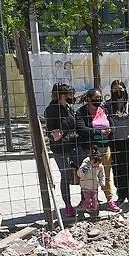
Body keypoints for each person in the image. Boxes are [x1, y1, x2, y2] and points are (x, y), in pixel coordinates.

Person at [76, 88, 120, 211]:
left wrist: (111, 130)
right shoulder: (82, 112)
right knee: (89, 176)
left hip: (105, 147)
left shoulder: (104, 109)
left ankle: (110, 200)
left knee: (106, 176)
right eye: (96, 98)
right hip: (91, 149)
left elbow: (112, 123)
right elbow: (81, 128)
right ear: (89, 99)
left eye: (100, 97)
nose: (99, 100)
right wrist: (98, 132)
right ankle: (88, 201)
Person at [44, 82, 81, 217]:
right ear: (61, 95)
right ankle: (68, 205)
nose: (72, 97)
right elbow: (49, 130)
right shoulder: (52, 109)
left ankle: (85, 199)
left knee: (84, 170)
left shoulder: (69, 108)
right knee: (65, 176)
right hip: (61, 149)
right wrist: (54, 137)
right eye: (70, 95)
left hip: (75, 145)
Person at [107, 80, 129, 207]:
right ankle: (121, 195)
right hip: (114, 141)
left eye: (120, 88)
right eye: (115, 89)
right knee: (117, 171)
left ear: (125, 89)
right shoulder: (108, 105)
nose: (117, 91)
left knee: (128, 170)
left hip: (127, 141)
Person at [76, 149, 106, 217]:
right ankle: (83, 209)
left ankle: (93, 212)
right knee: (88, 200)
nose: (96, 166)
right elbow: (79, 174)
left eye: (97, 164)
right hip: (85, 186)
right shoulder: (85, 165)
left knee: (95, 200)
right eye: (94, 164)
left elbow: (102, 175)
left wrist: (102, 183)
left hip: (94, 186)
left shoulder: (100, 166)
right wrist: (84, 170)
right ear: (90, 160)